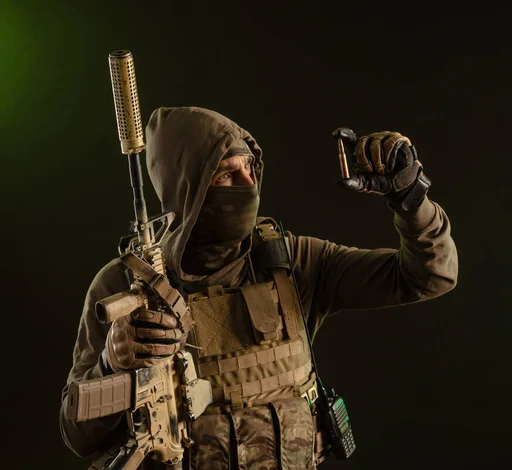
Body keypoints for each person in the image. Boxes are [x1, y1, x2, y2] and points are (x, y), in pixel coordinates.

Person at [60, 106, 458, 469]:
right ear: (187, 188)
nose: (246, 184)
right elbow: (78, 435)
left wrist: (411, 198)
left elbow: (430, 275)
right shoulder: (124, 289)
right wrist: (113, 362)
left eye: (249, 169)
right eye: (226, 174)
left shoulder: (292, 264)